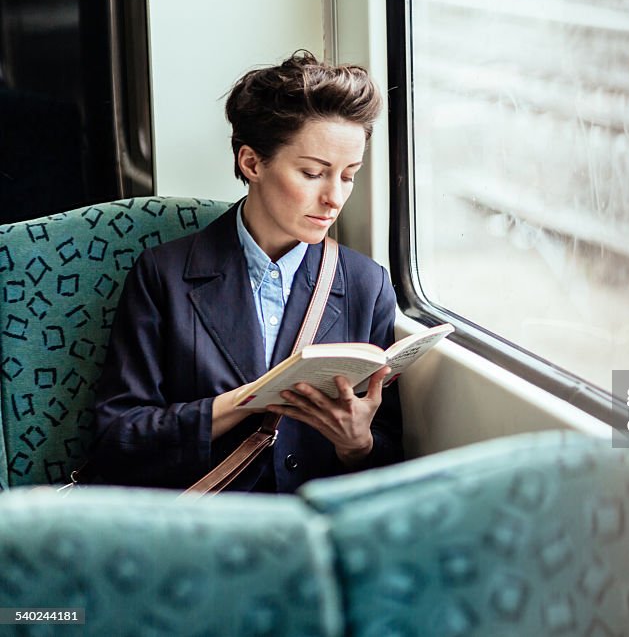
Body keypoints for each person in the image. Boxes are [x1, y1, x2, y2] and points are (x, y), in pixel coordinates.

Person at [90, 51, 403, 492]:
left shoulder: (366, 283)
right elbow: (117, 437)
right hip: (201, 529)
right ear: (252, 163)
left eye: (348, 176)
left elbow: (390, 450)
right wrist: (244, 401)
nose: (335, 198)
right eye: (313, 173)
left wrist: (358, 444)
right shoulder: (163, 276)